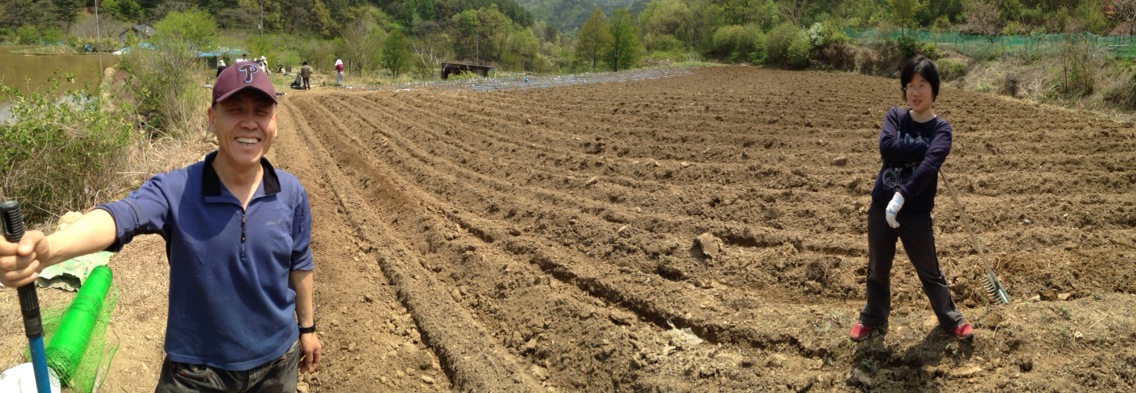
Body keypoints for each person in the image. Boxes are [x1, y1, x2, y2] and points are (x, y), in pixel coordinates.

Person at [0, 62, 323, 392]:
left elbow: (300, 262)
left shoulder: (291, 191)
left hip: (277, 363)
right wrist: (49, 250)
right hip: (197, 374)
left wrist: (307, 328)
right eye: (235, 109)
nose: (250, 122)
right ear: (212, 119)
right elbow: (121, 216)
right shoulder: (177, 189)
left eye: (261, 111)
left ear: (275, 122)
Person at [849, 55, 973, 342]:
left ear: (934, 89)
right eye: (909, 85)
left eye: (922, 85)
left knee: (929, 270)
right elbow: (886, 147)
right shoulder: (896, 115)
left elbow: (930, 166)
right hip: (882, 206)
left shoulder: (941, 129)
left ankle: (950, 318)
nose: (915, 92)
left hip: (915, 212)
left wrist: (902, 195)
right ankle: (873, 316)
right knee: (878, 267)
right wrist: (922, 146)